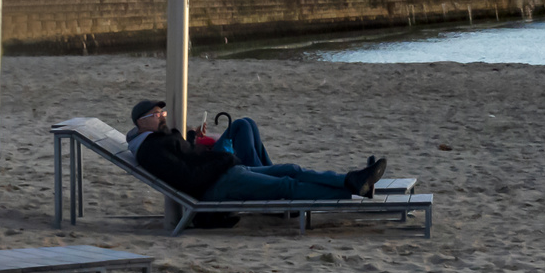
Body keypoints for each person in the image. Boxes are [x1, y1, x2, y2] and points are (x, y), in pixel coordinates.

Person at [125, 99, 386, 203]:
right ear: (141, 122)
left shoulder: (158, 140)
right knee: (286, 185)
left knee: (292, 170)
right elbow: (186, 176)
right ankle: (350, 192)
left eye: (162, 112)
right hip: (216, 184)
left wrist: (192, 138)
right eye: (156, 114)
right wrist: (222, 160)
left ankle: (352, 181)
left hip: (225, 172)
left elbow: (186, 155)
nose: (162, 117)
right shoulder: (150, 150)